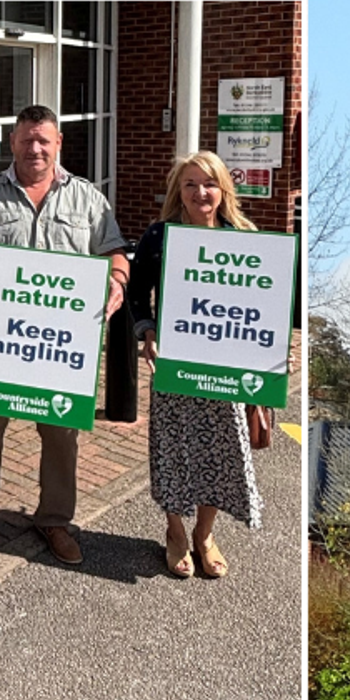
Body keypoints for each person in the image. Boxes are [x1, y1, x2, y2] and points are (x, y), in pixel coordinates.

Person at [0, 106, 129, 565]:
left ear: (58, 143)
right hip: (3, 342)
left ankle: (55, 519)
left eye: (43, 140)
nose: (35, 148)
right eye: (26, 140)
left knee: (62, 433)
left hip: (63, 348)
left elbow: (116, 252)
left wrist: (117, 284)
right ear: (12, 143)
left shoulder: (86, 199)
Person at [128, 151, 271, 578]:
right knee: (173, 451)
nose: (199, 192)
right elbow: (138, 295)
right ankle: (174, 531)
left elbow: (263, 305)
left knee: (222, 451)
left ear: (223, 189)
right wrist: (147, 331)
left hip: (224, 366)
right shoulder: (160, 237)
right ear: (179, 191)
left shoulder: (245, 238)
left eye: (208, 183)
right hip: (174, 363)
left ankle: (204, 534)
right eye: (190, 184)